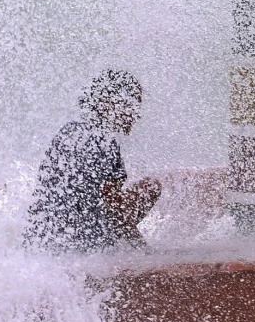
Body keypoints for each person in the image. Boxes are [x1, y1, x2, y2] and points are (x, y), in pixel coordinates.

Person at [23, 69, 162, 251]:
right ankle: (101, 248)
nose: (136, 114)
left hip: (42, 233)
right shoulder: (105, 141)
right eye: (131, 105)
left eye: (137, 105)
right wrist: (143, 249)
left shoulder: (69, 131)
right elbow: (114, 210)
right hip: (82, 240)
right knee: (151, 187)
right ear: (105, 104)